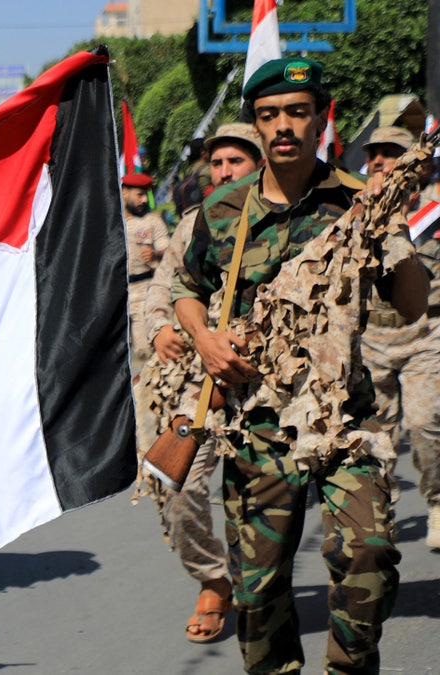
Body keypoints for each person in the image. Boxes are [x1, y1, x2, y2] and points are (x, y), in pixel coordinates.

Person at [170, 59, 428, 674]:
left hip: (343, 417)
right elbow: (184, 284)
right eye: (268, 115)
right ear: (255, 124)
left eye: (296, 111)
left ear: (321, 117)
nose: (283, 126)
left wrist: (391, 226)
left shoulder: (357, 200)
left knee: (367, 553)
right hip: (256, 425)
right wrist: (203, 336)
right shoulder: (223, 210)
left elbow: (413, 304)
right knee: (258, 592)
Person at [139, 122, 263, 644]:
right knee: (175, 484)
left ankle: (261, 585)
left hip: (268, 380)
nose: (225, 171)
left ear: (259, 164)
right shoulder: (194, 224)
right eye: (217, 163)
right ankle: (213, 580)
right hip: (198, 382)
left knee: (262, 495)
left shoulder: (287, 220)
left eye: (236, 161)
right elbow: (159, 293)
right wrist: (163, 328)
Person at [358, 125, 440, 550]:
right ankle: (381, 510)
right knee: (378, 434)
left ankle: (439, 502)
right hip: (372, 336)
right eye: (374, 154)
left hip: (426, 332)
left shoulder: (436, 209)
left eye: (390, 153)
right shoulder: (358, 209)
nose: (378, 161)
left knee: (425, 423)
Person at [122, 171, 169, 365]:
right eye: (138, 194)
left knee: (144, 349)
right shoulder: (112, 222)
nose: (143, 200)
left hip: (145, 290)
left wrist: (156, 254)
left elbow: (168, 248)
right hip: (118, 292)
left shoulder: (151, 221)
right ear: (125, 193)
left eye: (145, 195)